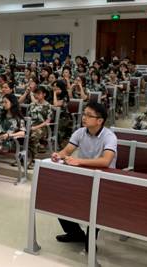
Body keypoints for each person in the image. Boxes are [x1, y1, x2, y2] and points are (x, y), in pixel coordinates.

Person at [52, 102, 117, 251]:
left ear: (99, 120)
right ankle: (75, 233)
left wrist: (79, 161)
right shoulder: (80, 132)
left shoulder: (109, 136)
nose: (84, 117)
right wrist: (58, 155)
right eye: (84, 114)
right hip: (83, 176)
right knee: (61, 198)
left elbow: (106, 161)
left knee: (95, 207)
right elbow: (67, 151)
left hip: (104, 179)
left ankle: (90, 236)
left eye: (89, 115)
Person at [27, 87, 52, 164]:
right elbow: (28, 117)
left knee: (33, 135)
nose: (36, 95)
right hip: (31, 125)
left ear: (44, 94)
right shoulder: (32, 104)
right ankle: (24, 156)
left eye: (38, 93)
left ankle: (32, 158)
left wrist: (36, 127)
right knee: (21, 133)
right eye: (35, 93)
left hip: (42, 127)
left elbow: (48, 121)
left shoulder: (48, 106)